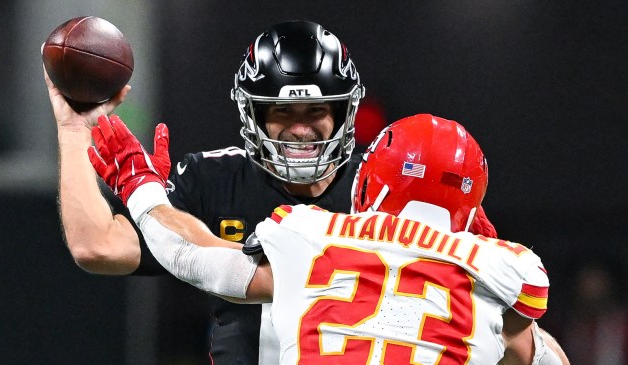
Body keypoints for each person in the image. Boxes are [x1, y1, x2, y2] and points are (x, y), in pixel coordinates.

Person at [47, 20, 496, 364]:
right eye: (281, 110)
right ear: (254, 116)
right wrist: (73, 127)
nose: (300, 127)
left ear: (344, 113)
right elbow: (97, 246)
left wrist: (150, 201)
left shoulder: (386, 185)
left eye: (317, 109)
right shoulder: (214, 176)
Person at [87, 112, 570, 364]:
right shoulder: (503, 268)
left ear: (371, 179)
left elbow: (191, 257)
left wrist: (142, 190)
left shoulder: (313, 234)